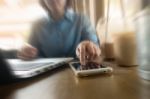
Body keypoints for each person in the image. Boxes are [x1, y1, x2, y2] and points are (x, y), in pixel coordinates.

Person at [17, 0, 101, 65]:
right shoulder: (36, 24)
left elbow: (95, 46)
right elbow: (30, 50)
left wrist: (89, 46)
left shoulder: (82, 19)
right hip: (46, 75)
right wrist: (26, 52)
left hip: (78, 69)